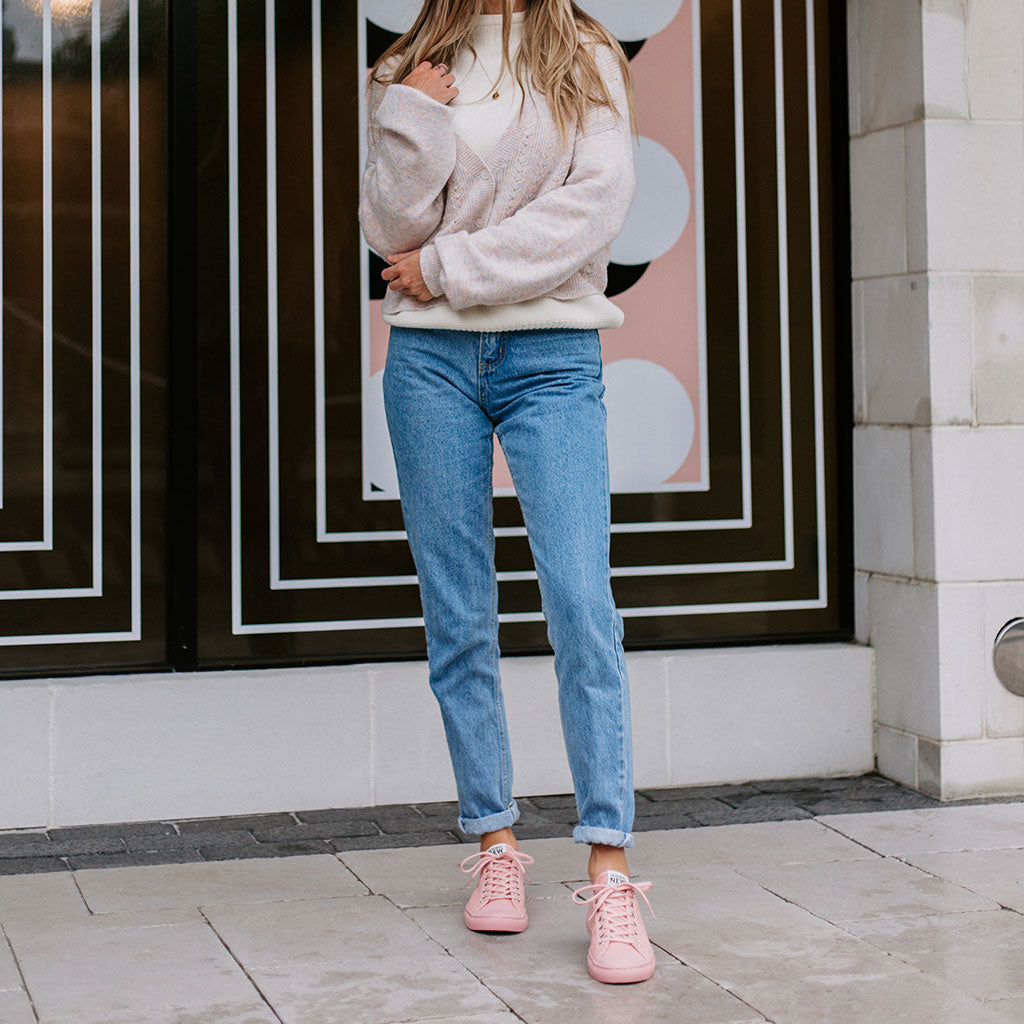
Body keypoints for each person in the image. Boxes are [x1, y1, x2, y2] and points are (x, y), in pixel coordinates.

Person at [359, 0, 655, 984]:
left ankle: (609, 866)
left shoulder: (581, 55)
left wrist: (448, 267)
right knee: (460, 613)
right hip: (428, 364)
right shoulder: (410, 62)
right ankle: (493, 843)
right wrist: (413, 115)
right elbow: (387, 225)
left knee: (580, 600)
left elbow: (593, 210)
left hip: (553, 353)